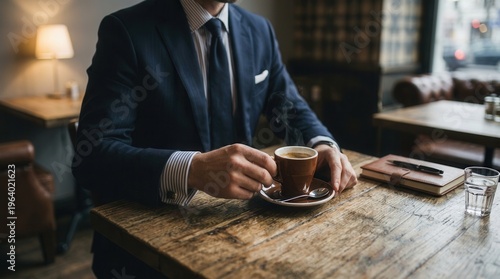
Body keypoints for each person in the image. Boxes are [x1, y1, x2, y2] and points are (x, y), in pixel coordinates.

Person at [73, 0, 358, 277]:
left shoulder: (260, 30)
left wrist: (323, 144)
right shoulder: (126, 30)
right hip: (148, 254)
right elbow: (93, 155)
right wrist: (192, 169)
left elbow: (291, 109)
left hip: (246, 242)